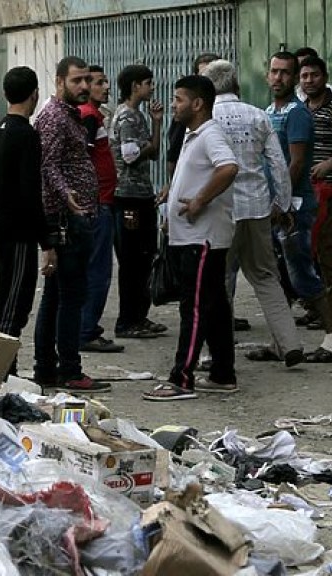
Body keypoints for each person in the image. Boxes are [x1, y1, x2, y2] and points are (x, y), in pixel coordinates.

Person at [200, 59, 303, 367]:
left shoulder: (206, 118)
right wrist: (281, 204)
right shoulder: (258, 116)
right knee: (266, 277)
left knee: (218, 281)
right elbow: (278, 165)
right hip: (257, 208)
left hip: (221, 211)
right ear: (237, 84)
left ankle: (217, 354)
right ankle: (290, 344)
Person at [144, 75, 238, 401]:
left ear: (197, 104)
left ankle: (181, 379)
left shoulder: (210, 133)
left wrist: (200, 200)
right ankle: (223, 373)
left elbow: (228, 167)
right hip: (189, 236)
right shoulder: (191, 134)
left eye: (179, 99)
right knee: (213, 306)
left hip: (203, 237)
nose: (173, 104)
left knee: (194, 307)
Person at [32, 56, 109, 393]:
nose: (83, 87)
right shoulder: (53, 117)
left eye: (86, 81)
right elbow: (47, 165)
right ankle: (68, 369)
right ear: (59, 81)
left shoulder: (70, 116)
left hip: (74, 216)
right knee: (70, 297)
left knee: (58, 296)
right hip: (66, 220)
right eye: (76, 80)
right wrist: (69, 198)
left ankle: (49, 368)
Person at [0, 66, 55, 376]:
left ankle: (2, 367)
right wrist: (46, 241)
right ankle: (1, 371)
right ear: (34, 94)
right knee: (15, 303)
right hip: (20, 230)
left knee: (6, 298)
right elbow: (30, 193)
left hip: (2, 227)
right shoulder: (26, 135)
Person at [266, 51, 332, 363]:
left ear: (294, 79)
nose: (278, 78)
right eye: (274, 72)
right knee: (279, 276)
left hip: (295, 207)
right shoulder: (269, 111)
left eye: (285, 73)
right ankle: (284, 343)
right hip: (278, 206)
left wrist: (280, 203)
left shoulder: (296, 114)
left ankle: (331, 338)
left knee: (304, 274)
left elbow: (296, 165)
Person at [110, 64, 166, 339]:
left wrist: (156, 123)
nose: (152, 88)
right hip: (128, 197)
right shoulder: (127, 118)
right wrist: (151, 144)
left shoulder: (139, 116)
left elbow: (153, 153)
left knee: (144, 257)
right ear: (135, 86)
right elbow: (131, 155)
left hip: (141, 195)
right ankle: (128, 320)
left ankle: (139, 317)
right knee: (132, 260)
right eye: (148, 83)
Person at [79, 65, 123, 353]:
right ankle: (86, 331)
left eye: (105, 81)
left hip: (101, 200)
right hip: (97, 204)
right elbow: (82, 159)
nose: (105, 87)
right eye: (98, 82)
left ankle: (86, 328)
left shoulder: (96, 116)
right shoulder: (88, 117)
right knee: (98, 270)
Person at [299, 55, 332, 362]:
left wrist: (328, 164)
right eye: (304, 76)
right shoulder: (301, 110)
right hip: (309, 194)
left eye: (314, 75)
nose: (309, 80)